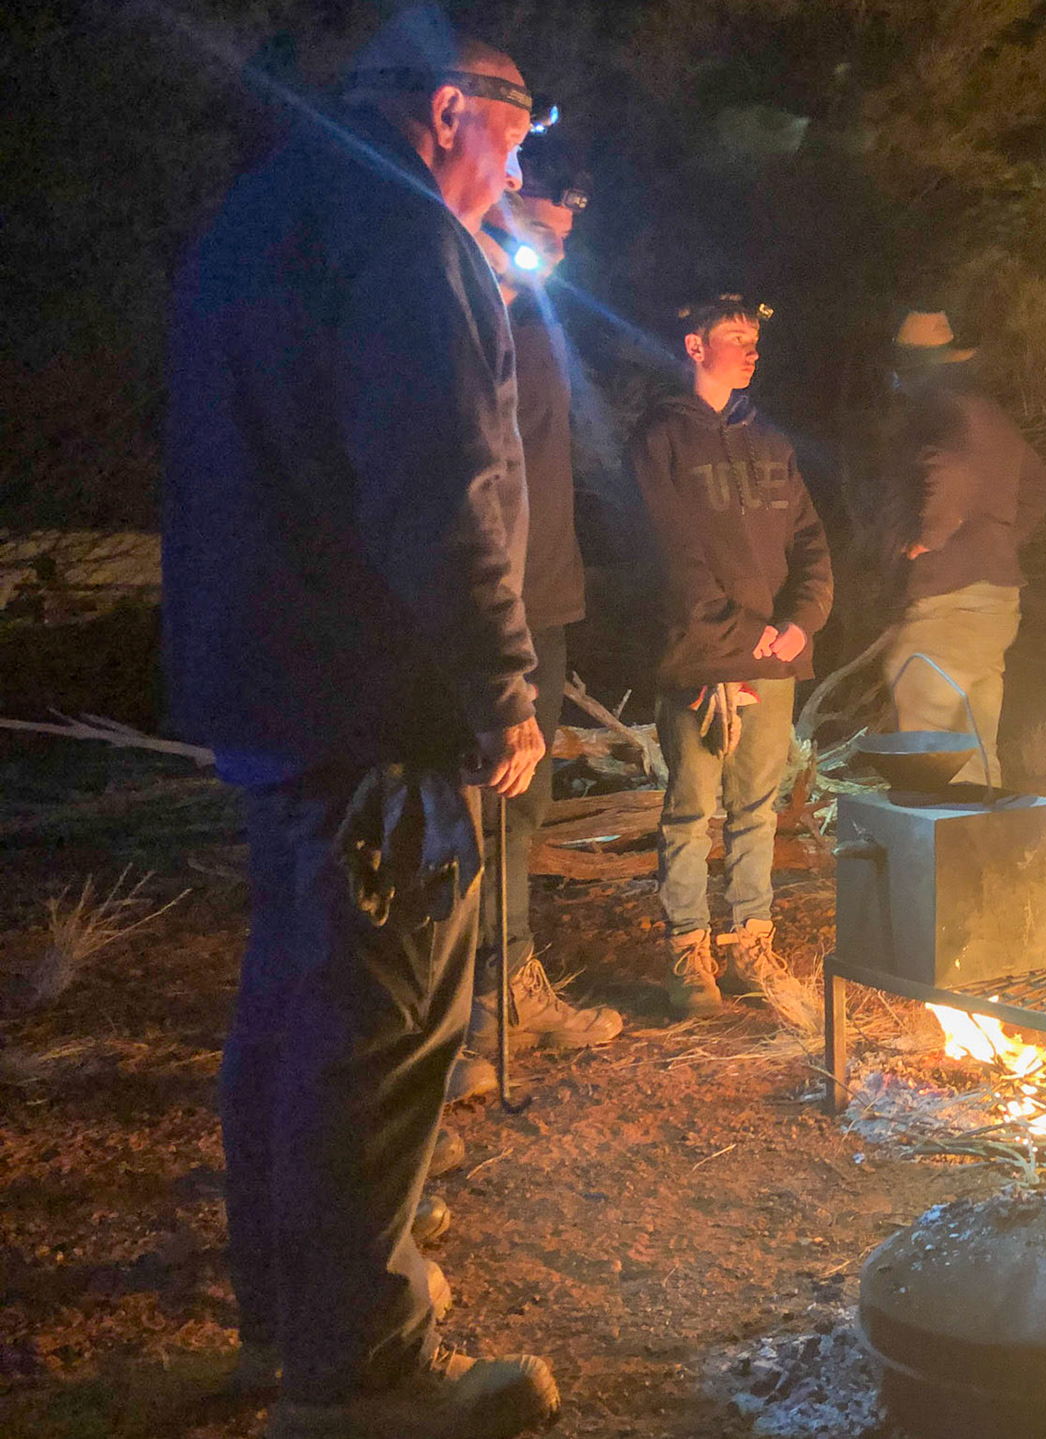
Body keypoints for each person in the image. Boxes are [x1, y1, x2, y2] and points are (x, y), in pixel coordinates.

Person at [162, 10, 560, 1436]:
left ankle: (303, 1311)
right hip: (377, 706)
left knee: (292, 1008)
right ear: (453, 110)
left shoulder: (259, 218)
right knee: (377, 1028)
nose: (521, 168)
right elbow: (437, 487)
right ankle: (360, 1379)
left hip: (272, 694)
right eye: (521, 128)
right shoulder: (404, 235)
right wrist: (501, 690)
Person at [449, 135, 622, 1105]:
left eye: (558, 241)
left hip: (544, 601)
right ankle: (454, 1012)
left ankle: (510, 988)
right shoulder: (454, 317)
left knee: (523, 809)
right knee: (469, 812)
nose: (545, 255)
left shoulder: (542, 325)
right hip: (481, 612)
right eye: (532, 233)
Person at [631, 296, 833, 1017]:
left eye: (754, 338)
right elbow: (668, 548)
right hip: (699, 656)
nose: (750, 350)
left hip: (773, 653)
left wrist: (801, 621)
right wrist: (731, 632)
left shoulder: (769, 439)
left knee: (756, 808)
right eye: (734, 337)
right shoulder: (662, 436)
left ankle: (750, 942)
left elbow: (810, 540)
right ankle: (689, 951)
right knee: (690, 808)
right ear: (693, 344)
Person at [882, 311, 1046, 785]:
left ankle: (932, 849)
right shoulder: (990, 416)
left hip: (949, 598)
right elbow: (1042, 485)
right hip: (996, 601)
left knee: (929, 742)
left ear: (914, 370)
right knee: (975, 749)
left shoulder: (940, 410)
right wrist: (998, 539)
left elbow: (953, 469)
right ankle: (992, 852)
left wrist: (930, 537)